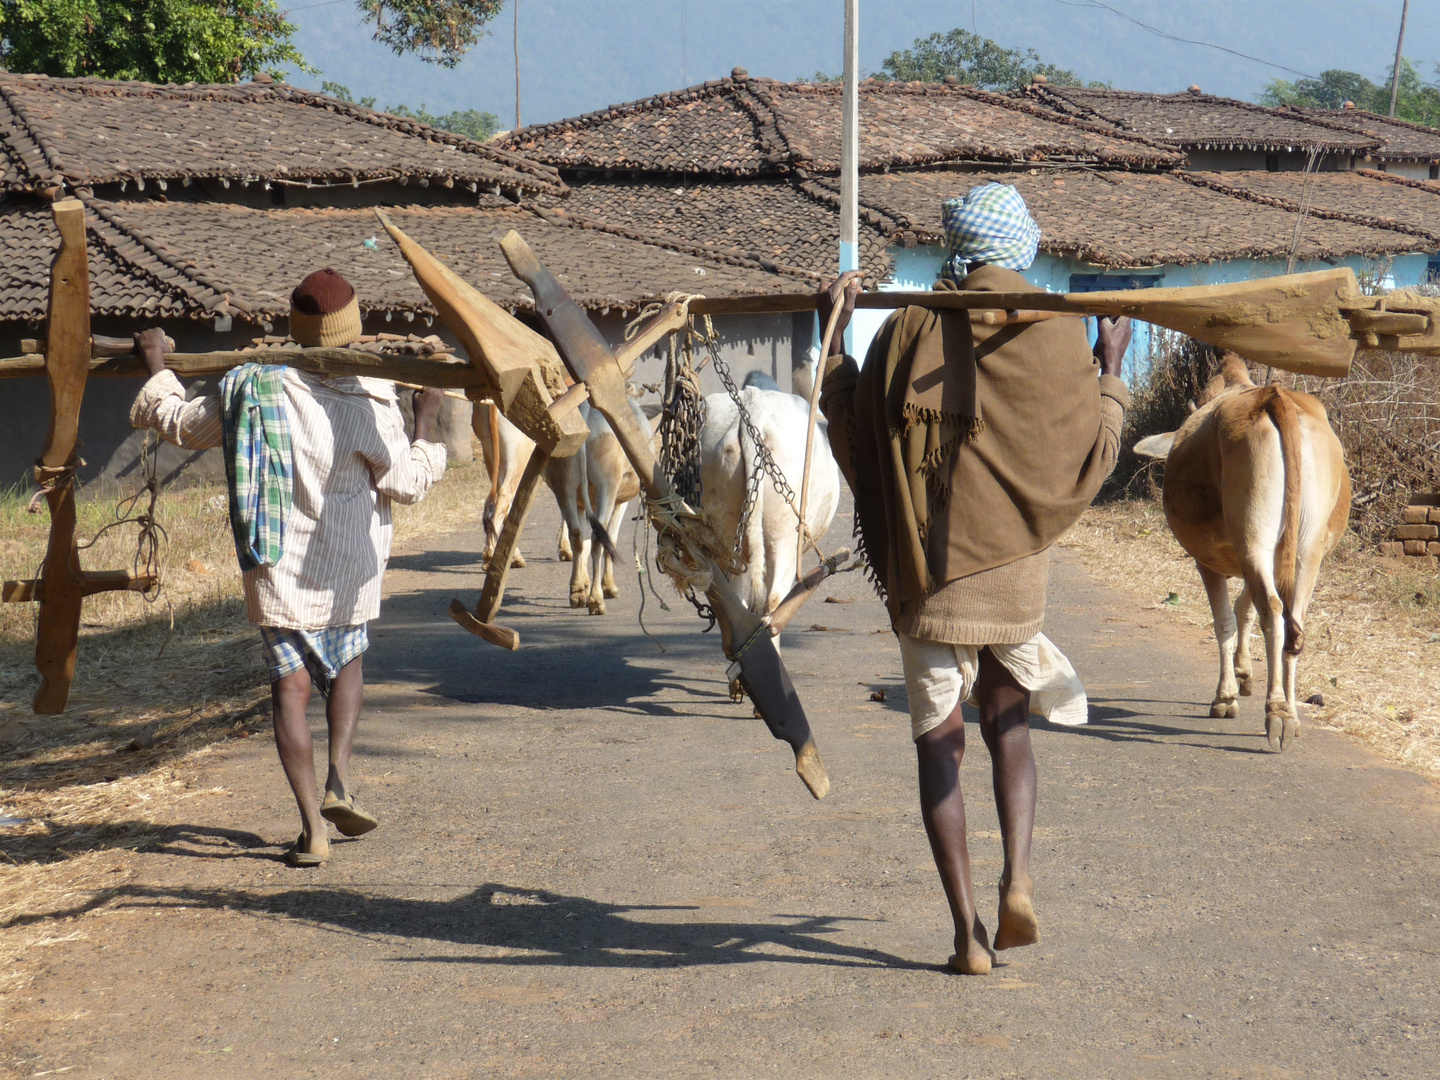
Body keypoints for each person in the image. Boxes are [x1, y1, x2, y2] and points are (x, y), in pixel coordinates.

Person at [816, 183, 1131, 973]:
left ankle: (967, 936)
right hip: (1015, 577)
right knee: (1009, 725)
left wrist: (835, 347)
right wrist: (1112, 368)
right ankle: (1018, 879)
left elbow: (853, 434)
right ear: (1020, 247)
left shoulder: (903, 329)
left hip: (929, 577)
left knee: (940, 746)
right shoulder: (1057, 333)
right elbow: (1094, 453)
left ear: (956, 248)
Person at [129, 268, 448, 867]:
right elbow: (405, 484)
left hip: (277, 561)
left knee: (290, 690)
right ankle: (339, 781)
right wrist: (426, 420)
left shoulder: (253, 388)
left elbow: (179, 424)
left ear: (294, 327)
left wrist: (155, 365)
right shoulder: (373, 396)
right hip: (348, 564)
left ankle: (313, 830)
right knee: (348, 663)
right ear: (354, 329)